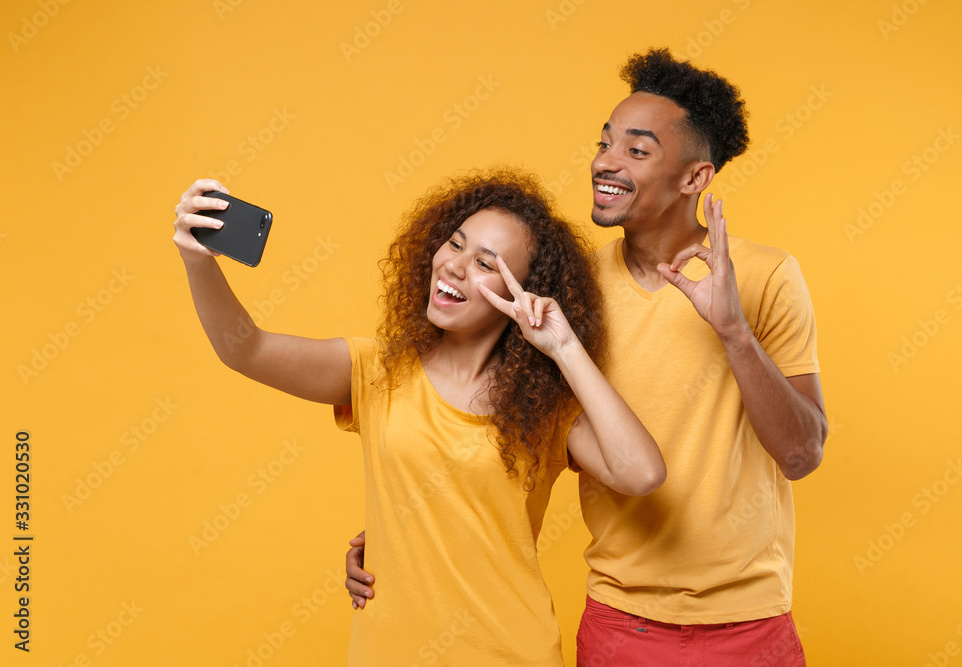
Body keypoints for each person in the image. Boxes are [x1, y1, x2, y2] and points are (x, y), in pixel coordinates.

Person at [345, 49, 826, 666]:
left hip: (748, 624)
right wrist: (394, 539)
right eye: (605, 142)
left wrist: (734, 331)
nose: (605, 161)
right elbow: (482, 419)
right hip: (621, 623)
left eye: (637, 149)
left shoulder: (765, 279)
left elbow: (800, 454)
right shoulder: (561, 293)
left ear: (694, 178)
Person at [172, 169, 665, 666]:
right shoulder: (378, 371)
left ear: (521, 294)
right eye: (455, 244)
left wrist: (564, 348)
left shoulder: (544, 409)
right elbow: (246, 350)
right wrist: (198, 260)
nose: (454, 267)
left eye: (485, 264)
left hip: (508, 652)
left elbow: (642, 473)